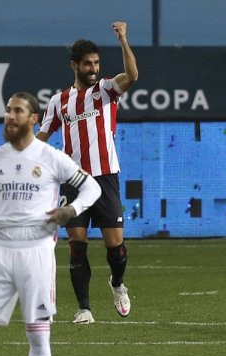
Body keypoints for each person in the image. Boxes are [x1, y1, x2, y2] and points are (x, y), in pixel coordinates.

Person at [0, 92, 102, 356]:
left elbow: (92, 188)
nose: (11, 117)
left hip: (36, 253)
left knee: (38, 336)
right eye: (8, 111)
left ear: (34, 118)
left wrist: (71, 209)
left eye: (18, 111)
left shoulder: (52, 158)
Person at [37, 21, 138, 324]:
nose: (93, 68)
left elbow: (132, 75)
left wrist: (123, 40)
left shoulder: (106, 90)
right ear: (75, 66)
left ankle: (117, 284)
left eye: (96, 63)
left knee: (115, 248)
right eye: (87, 63)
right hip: (75, 182)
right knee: (76, 246)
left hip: (106, 178)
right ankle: (84, 308)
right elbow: (42, 136)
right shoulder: (59, 102)